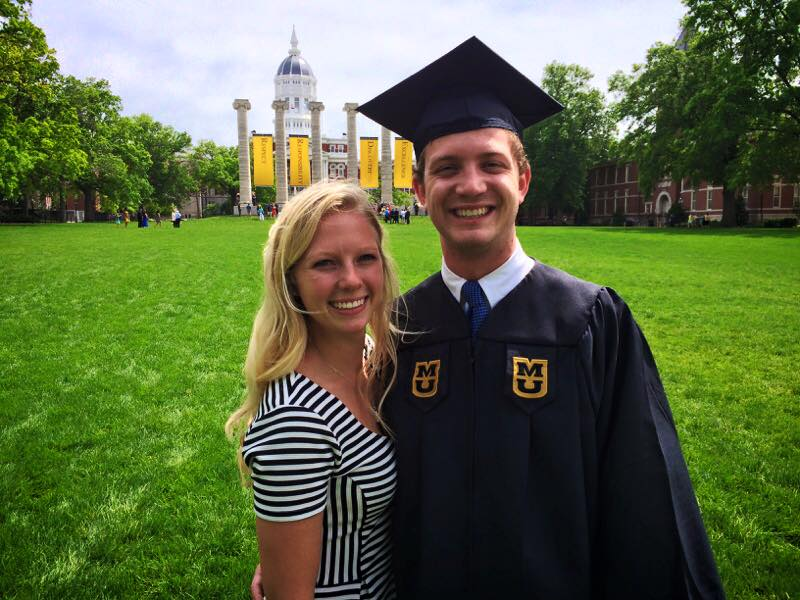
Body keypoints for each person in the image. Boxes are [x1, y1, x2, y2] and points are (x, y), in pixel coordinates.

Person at [252, 37, 724, 600]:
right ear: (420, 189)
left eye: (491, 164)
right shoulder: (401, 329)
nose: (470, 185)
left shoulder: (591, 323)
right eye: (447, 168)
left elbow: (648, 509)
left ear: (522, 181)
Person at [229, 181, 401, 600]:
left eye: (365, 258)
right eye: (325, 264)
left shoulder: (371, 356)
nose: (351, 279)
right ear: (292, 282)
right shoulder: (295, 420)